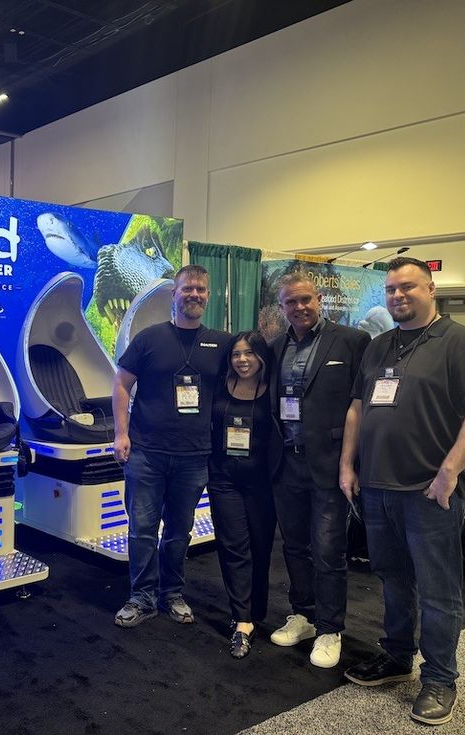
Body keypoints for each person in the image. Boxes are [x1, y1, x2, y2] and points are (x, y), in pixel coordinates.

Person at [339, 257, 465, 726]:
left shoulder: (462, 343)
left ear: (431, 289)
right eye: (390, 289)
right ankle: (397, 655)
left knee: (438, 589)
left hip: (429, 492)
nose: (398, 295)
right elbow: (357, 408)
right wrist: (347, 464)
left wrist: (448, 473)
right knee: (392, 578)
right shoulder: (379, 346)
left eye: (407, 287)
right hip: (377, 487)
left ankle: (441, 678)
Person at [112, 264, 231, 628]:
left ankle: (172, 594)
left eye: (200, 289)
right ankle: (142, 597)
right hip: (146, 453)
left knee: (180, 532)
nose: (194, 294)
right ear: (174, 294)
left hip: (195, 456)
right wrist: (121, 434)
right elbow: (121, 385)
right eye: (187, 288)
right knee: (142, 530)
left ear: (208, 295)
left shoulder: (221, 344)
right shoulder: (149, 338)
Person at [267, 272, 370, 667]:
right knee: (294, 546)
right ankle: (304, 616)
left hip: (329, 464)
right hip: (286, 463)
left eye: (306, 299)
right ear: (282, 307)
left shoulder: (352, 341)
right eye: (291, 302)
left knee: (328, 550)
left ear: (319, 299)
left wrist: (352, 462)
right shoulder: (274, 347)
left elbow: (360, 405)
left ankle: (330, 628)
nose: (300, 307)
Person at [207, 331, 278, 658]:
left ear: (261, 356)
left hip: (264, 481)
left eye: (249, 353)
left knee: (261, 548)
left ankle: (256, 610)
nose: (242, 359)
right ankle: (242, 619)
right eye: (236, 354)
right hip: (224, 478)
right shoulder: (220, 385)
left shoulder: (273, 389)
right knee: (233, 546)